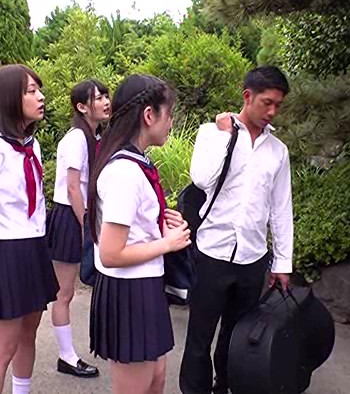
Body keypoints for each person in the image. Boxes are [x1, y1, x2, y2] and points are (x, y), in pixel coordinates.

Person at [179, 66, 294, 394]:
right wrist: (225, 135)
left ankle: (224, 387)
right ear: (247, 96)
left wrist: (283, 263)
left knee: (237, 337)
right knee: (199, 336)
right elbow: (202, 178)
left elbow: (281, 208)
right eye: (267, 103)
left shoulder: (278, 151)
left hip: (252, 258)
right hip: (211, 252)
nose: (272, 112)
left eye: (278, 105)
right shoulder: (211, 134)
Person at [87, 74, 192, 394]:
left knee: (155, 380)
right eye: (169, 114)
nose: (171, 122)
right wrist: (167, 243)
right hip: (129, 290)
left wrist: (161, 225)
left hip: (144, 284)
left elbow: (132, 231)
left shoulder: (135, 162)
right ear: (149, 115)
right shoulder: (124, 172)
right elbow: (111, 253)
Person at [0, 64, 59, 394]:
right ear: (10, 98)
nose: (41, 97)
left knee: (28, 333)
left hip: (35, 245)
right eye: (31, 91)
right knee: (2, 349)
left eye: (39, 89)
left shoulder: (31, 145)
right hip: (8, 249)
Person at [46, 79, 110, 378]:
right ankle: (67, 356)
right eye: (98, 98)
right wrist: (87, 226)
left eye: (106, 95)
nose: (106, 102)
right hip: (71, 216)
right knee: (64, 292)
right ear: (82, 107)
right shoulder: (76, 139)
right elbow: (73, 188)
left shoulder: (95, 136)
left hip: (85, 215)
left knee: (73, 289)